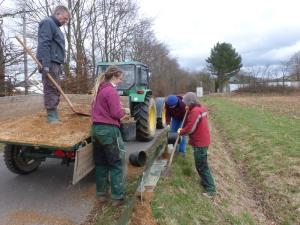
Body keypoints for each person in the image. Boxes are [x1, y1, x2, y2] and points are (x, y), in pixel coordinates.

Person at [91, 66, 127, 206]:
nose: (121, 81)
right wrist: (124, 112)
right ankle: (117, 197)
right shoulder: (111, 91)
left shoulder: (98, 90)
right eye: (120, 78)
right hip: (108, 130)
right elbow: (116, 113)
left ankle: (101, 195)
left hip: (96, 129)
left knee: (101, 164)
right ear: (114, 76)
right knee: (116, 163)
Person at [177, 92, 216, 197]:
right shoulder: (201, 108)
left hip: (200, 142)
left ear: (190, 103)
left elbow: (190, 128)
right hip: (204, 139)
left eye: (186, 103)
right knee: (202, 163)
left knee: (201, 166)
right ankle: (205, 182)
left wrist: (181, 131)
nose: (185, 105)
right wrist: (188, 110)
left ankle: (211, 189)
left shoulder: (195, 111)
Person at [36, 5, 70, 123]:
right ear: (58, 14)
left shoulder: (55, 27)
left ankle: (54, 114)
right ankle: (52, 117)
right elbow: (44, 43)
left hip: (55, 62)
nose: (65, 21)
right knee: (51, 87)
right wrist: (45, 63)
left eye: (67, 20)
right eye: (65, 18)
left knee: (55, 87)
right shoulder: (48, 22)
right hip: (49, 61)